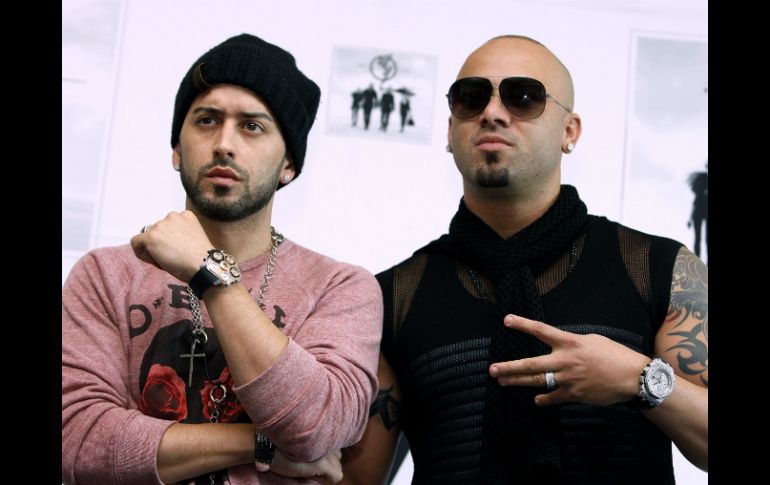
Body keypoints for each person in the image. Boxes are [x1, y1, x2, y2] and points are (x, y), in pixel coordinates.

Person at [341, 35, 708, 484]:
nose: (492, 113)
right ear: (450, 130)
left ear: (569, 132)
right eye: (471, 97)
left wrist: (639, 378)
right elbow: (354, 479)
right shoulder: (393, 295)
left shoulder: (658, 268)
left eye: (524, 97)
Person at [62, 33, 383, 485]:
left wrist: (208, 270)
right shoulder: (105, 274)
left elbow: (317, 428)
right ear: (177, 149)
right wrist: (260, 443)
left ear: (289, 164)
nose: (224, 144)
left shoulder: (340, 287)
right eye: (207, 120)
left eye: (252, 126)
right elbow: (76, 440)